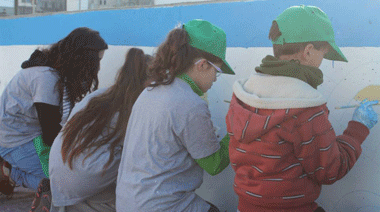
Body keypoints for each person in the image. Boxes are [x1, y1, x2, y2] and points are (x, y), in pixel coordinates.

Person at [226, 5, 378, 212]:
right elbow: (331, 170)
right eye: (322, 55)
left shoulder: (242, 95)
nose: (321, 63)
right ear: (308, 51)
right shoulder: (305, 107)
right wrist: (358, 127)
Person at [116, 19, 235, 212]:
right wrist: (237, 127)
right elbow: (214, 164)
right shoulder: (190, 103)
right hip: (159, 206)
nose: (215, 78)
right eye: (217, 71)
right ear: (202, 65)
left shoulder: (151, 90)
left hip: (128, 201)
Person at [0, 27, 108, 201]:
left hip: (30, 135)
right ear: (82, 59)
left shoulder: (55, 72)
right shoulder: (45, 78)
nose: (98, 67)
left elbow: (60, 123)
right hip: (16, 141)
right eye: (97, 61)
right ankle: (11, 173)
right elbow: (51, 134)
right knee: (62, 184)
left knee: (71, 171)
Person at [47, 48, 151, 212]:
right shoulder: (134, 109)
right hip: (81, 177)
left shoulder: (100, 95)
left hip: (58, 170)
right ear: (146, 83)